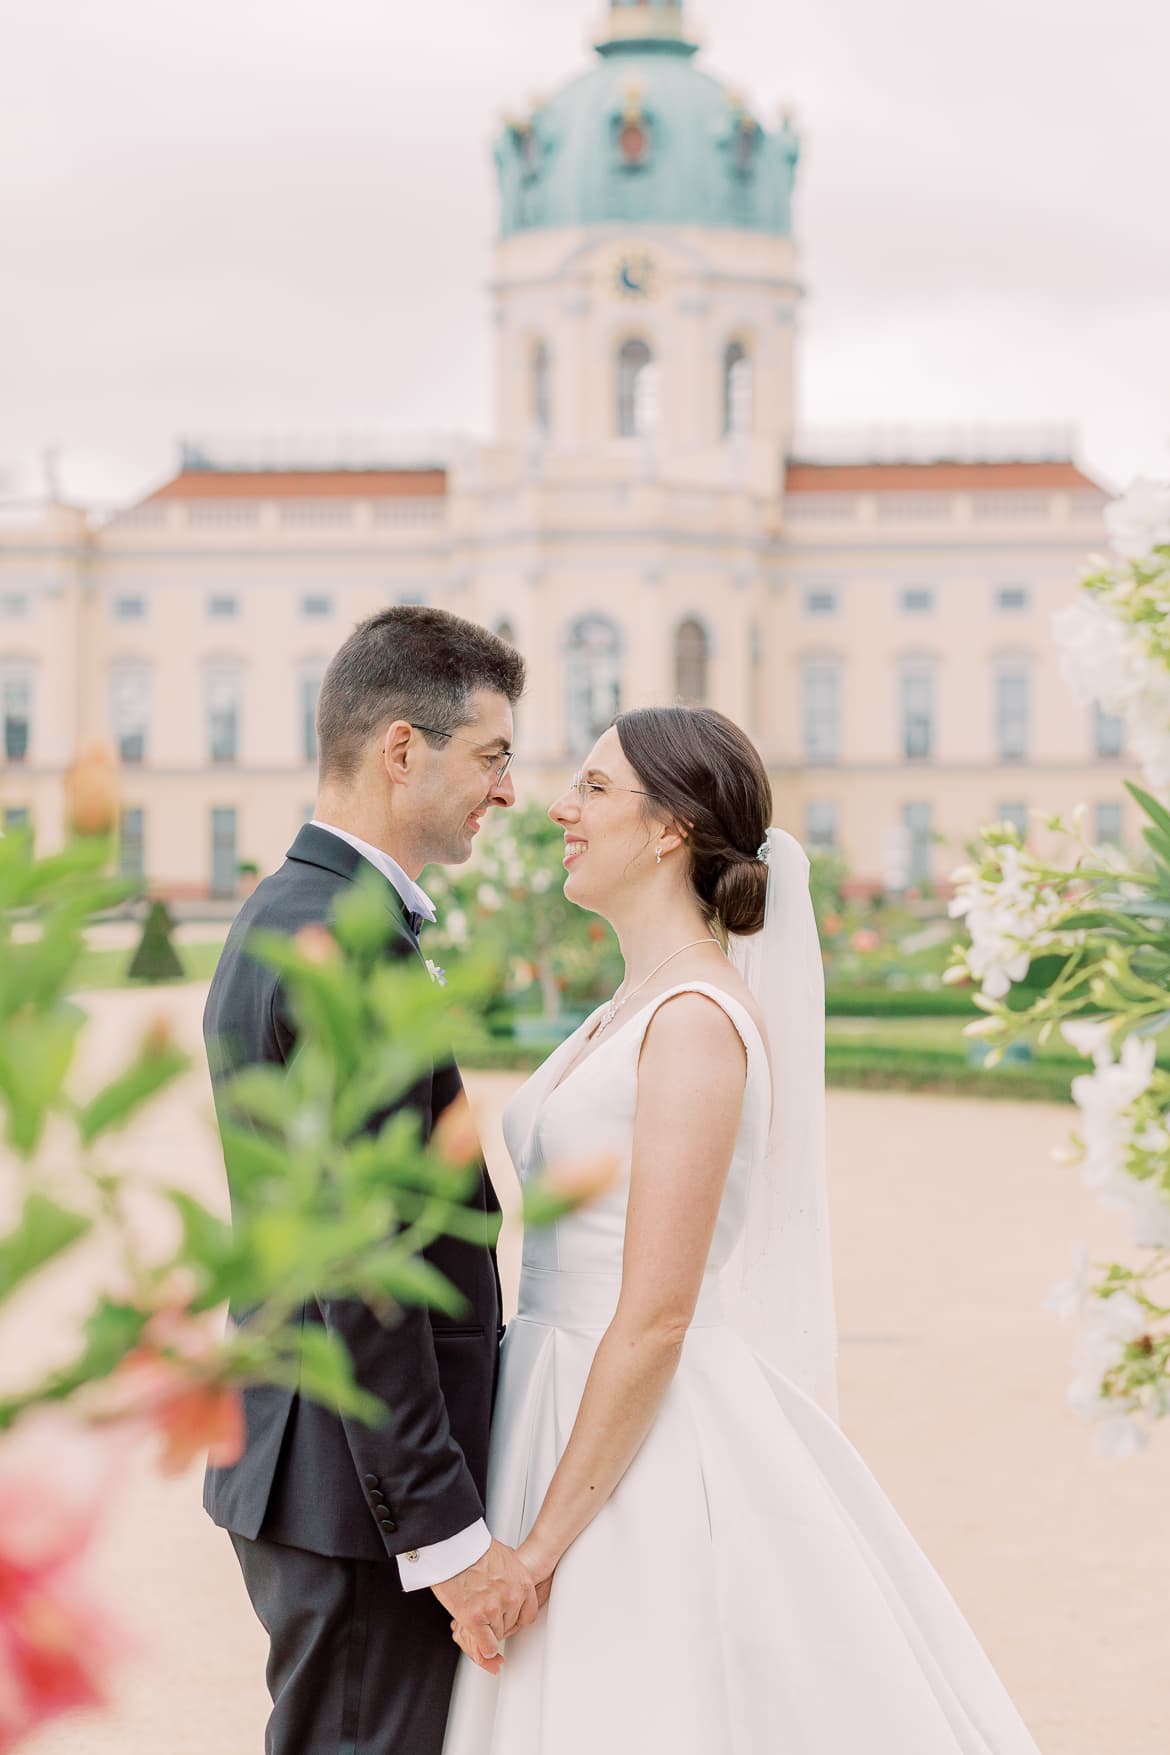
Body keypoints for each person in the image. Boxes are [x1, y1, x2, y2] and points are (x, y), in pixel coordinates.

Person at [442, 704, 1042, 1755]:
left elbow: (660, 1312)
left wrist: (536, 1553)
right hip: (544, 1395)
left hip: (632, 1424)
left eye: (591, 788)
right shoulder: (628, 1006)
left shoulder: (693, 1025)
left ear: (671, 826)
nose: (557, 809)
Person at [202, 605, 538, 1755]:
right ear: (405, 749)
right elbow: (371, 1278)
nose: (507, 791)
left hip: (318, 1470)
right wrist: (445, 1542)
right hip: (354, 1492)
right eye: (493, 756)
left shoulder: (293, 909)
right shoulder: (344, 938)